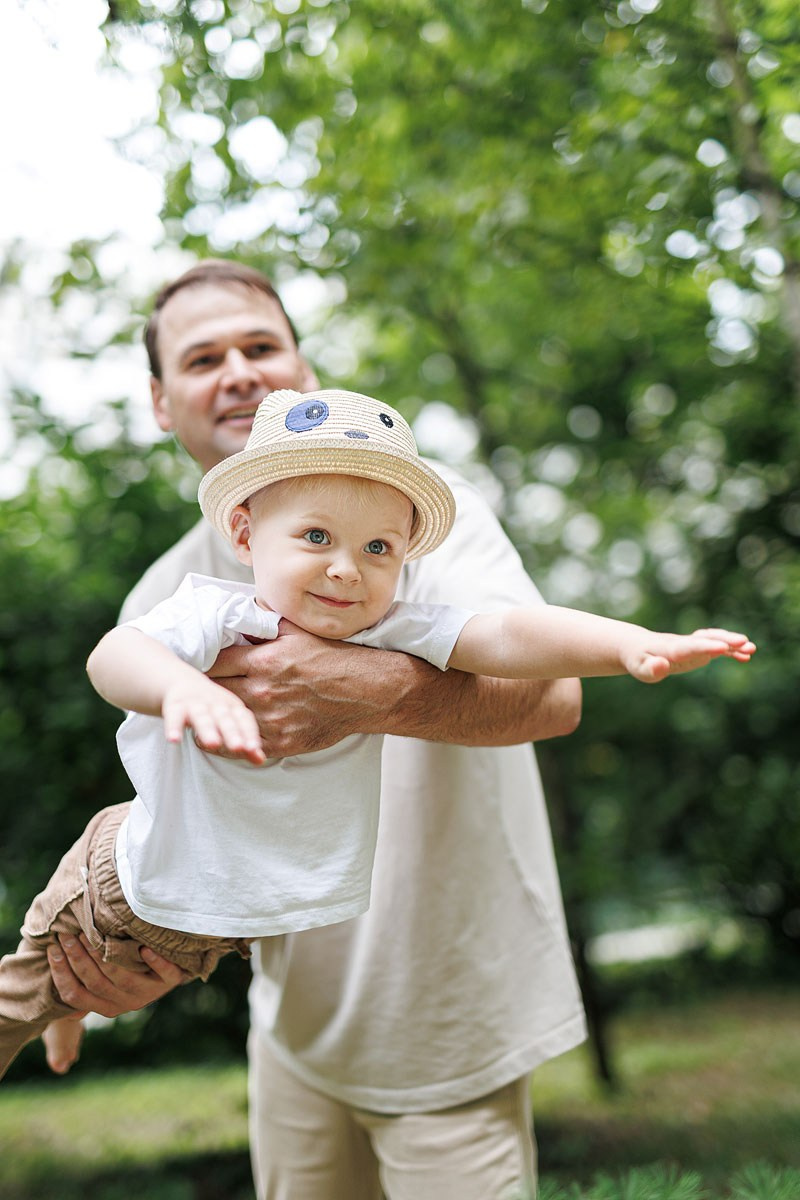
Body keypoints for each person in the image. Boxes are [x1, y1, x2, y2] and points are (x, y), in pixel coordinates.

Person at [25, 261, 678, 1199]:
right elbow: (190, 821)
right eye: (204, 358)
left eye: (262, 345)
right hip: (291, 1021)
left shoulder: (405, 516)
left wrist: (360, 687)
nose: (240, 370)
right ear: (163, 403)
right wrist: (133, 961)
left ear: (300, 368)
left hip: (449, 1004)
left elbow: (555, 698)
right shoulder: (163, 601)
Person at [0, 385, 754, 1081]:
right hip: (130, 875)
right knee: (30, 988)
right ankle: (43, 1017)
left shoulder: (393, 629)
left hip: (229, 910)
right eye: (317, 536)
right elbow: (114, 657)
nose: (345, 572)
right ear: (244, 532)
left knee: (88, 983)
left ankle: (60, 1016)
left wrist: (628, 644)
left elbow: (510, 636)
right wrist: (182, 688)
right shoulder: (222, 614)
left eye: (378, 549)